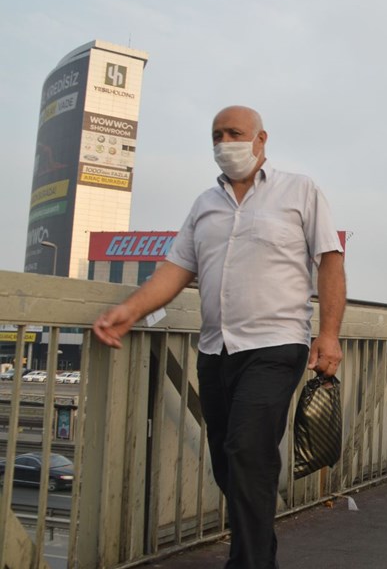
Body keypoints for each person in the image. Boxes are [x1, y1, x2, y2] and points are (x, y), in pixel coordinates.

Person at [92, 106, 346, 569]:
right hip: (215, 349)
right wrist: (128, 310)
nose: (224, 141)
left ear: (261, 140)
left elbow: (330, 259)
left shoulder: (299, 190)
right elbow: (175, 270)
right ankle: (258, 546)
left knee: (247, 449)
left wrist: (328, 334)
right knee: (228, 463)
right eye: (216, 134)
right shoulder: (203, 205)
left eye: (234, 133)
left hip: (276, 343)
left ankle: (249, 563)